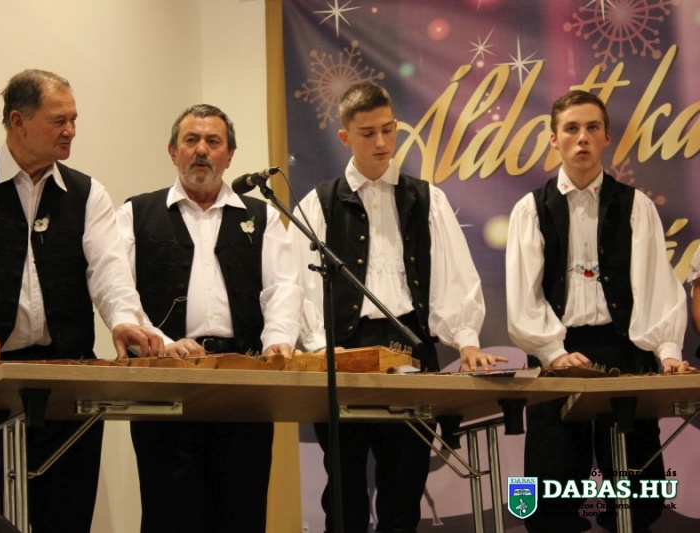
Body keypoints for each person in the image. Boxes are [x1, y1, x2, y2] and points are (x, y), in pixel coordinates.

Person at [0, 69, 165, 532]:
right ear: (18, 121)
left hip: (64, 385)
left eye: (74, 119)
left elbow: (110, 274)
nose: (71, 131)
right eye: (59, 120)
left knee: (65, 512)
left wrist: (125, 321)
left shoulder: (88, 193)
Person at [290, 82, 504, 532]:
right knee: (343, 493)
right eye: (368, 133)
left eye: (389, 129)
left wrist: (466, 339)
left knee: (404, 489)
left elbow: (453, 274)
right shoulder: (318, 204)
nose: (382, 142)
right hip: (343, 357)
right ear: (345, 137)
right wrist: (320, 349)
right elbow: (299, 289)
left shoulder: (426, 199)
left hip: (410, 350)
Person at [506, 89, 688, 532]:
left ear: (607, 137)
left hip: (625, 352)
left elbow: (654, 285)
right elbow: (523, 298)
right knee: (551, 501)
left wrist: (666, 351)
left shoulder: (636, 206)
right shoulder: (531, 210)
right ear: (554, 139)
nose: (582, 138)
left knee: (637, 498)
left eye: (592, 128)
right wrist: (552, 353)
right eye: (571, 129)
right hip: (556, 358)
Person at [116, 103, 303, 532]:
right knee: (169, 515)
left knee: (242, 513)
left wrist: (278, 341)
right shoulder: (135, 213)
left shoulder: (262, 216)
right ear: (172, 151)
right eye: (191, 140)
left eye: (213, 142)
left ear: (230, 155)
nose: (201, 150)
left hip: (244, 384)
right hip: (164, 382)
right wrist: (162, 343)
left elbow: (284, 288)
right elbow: (120, 292)